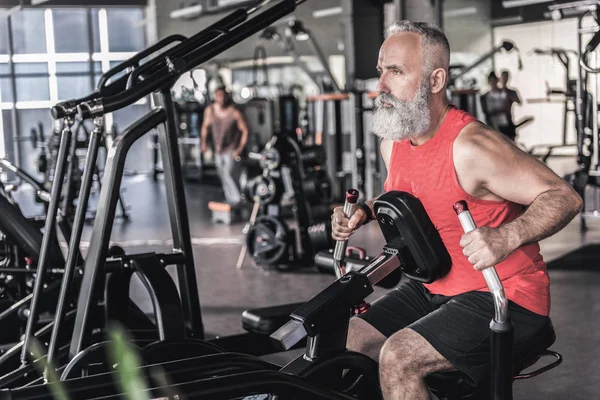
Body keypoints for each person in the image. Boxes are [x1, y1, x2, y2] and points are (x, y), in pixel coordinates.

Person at [331, 21, 582, 400]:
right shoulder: (394, 144)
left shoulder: (473, 147)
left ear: (435, 81)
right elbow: (418, 195)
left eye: (396, 72)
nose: (379, 85)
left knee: (399, 356)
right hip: (435, 286)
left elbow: (564, 196)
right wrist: (363, 211)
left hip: (505, 294)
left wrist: (508, 235)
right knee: (348, 336)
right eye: (381, 70)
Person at [201, 86, 248, 206]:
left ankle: (237, 199)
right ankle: (230, 199)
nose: (221, 98)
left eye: (223, 95)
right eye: (219, 95)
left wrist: (240, 148)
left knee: (229, 173)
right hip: (218, 149)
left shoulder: (234, 112)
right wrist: (204, 143)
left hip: (231, 148)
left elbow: (245, 130)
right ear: (215, 97)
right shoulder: (210, 111)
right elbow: (205, 128)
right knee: (222, 174)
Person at [480, 71, 516, 140]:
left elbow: (506, 108)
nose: (493, 83)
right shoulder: (484, 97)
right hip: (492, 124)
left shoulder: (503, 94)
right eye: (491, 81)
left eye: (494, 81)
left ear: (497, 81)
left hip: (504, 123)